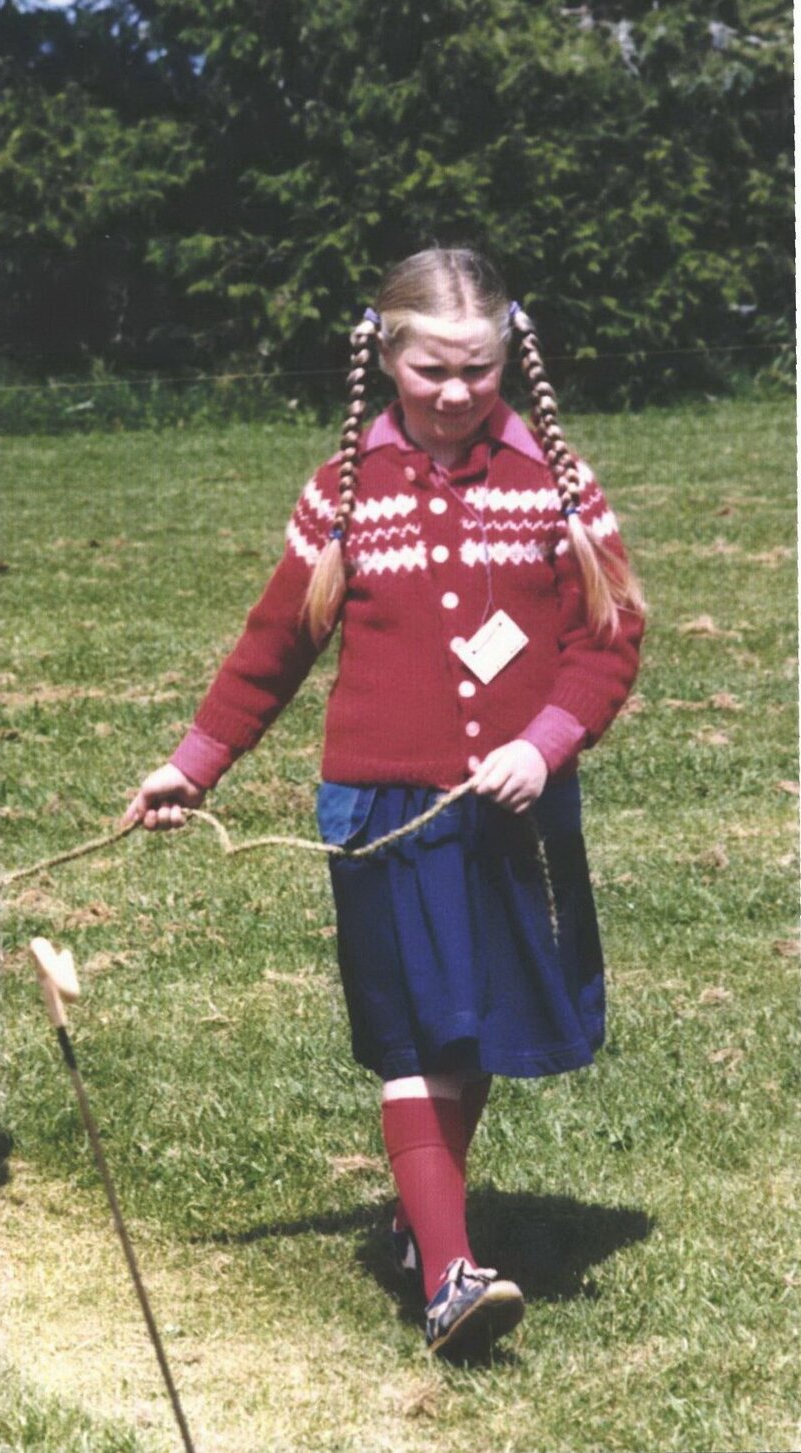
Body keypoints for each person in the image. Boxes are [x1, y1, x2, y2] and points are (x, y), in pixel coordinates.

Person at [124, 247, 644, 1360]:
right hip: (380, 817)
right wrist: (192, 762)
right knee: (417, 1033)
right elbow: (273, 648)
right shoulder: (342, 493)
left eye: (478, 369)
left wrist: (544, 744)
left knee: (476, 1033)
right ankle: (451, 1274)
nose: (455, 393)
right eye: (430, 371)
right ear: (383, 354)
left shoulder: (553, 480)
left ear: (513, 352)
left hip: (509, 817)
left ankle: (425, 1228)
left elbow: (608, 643)